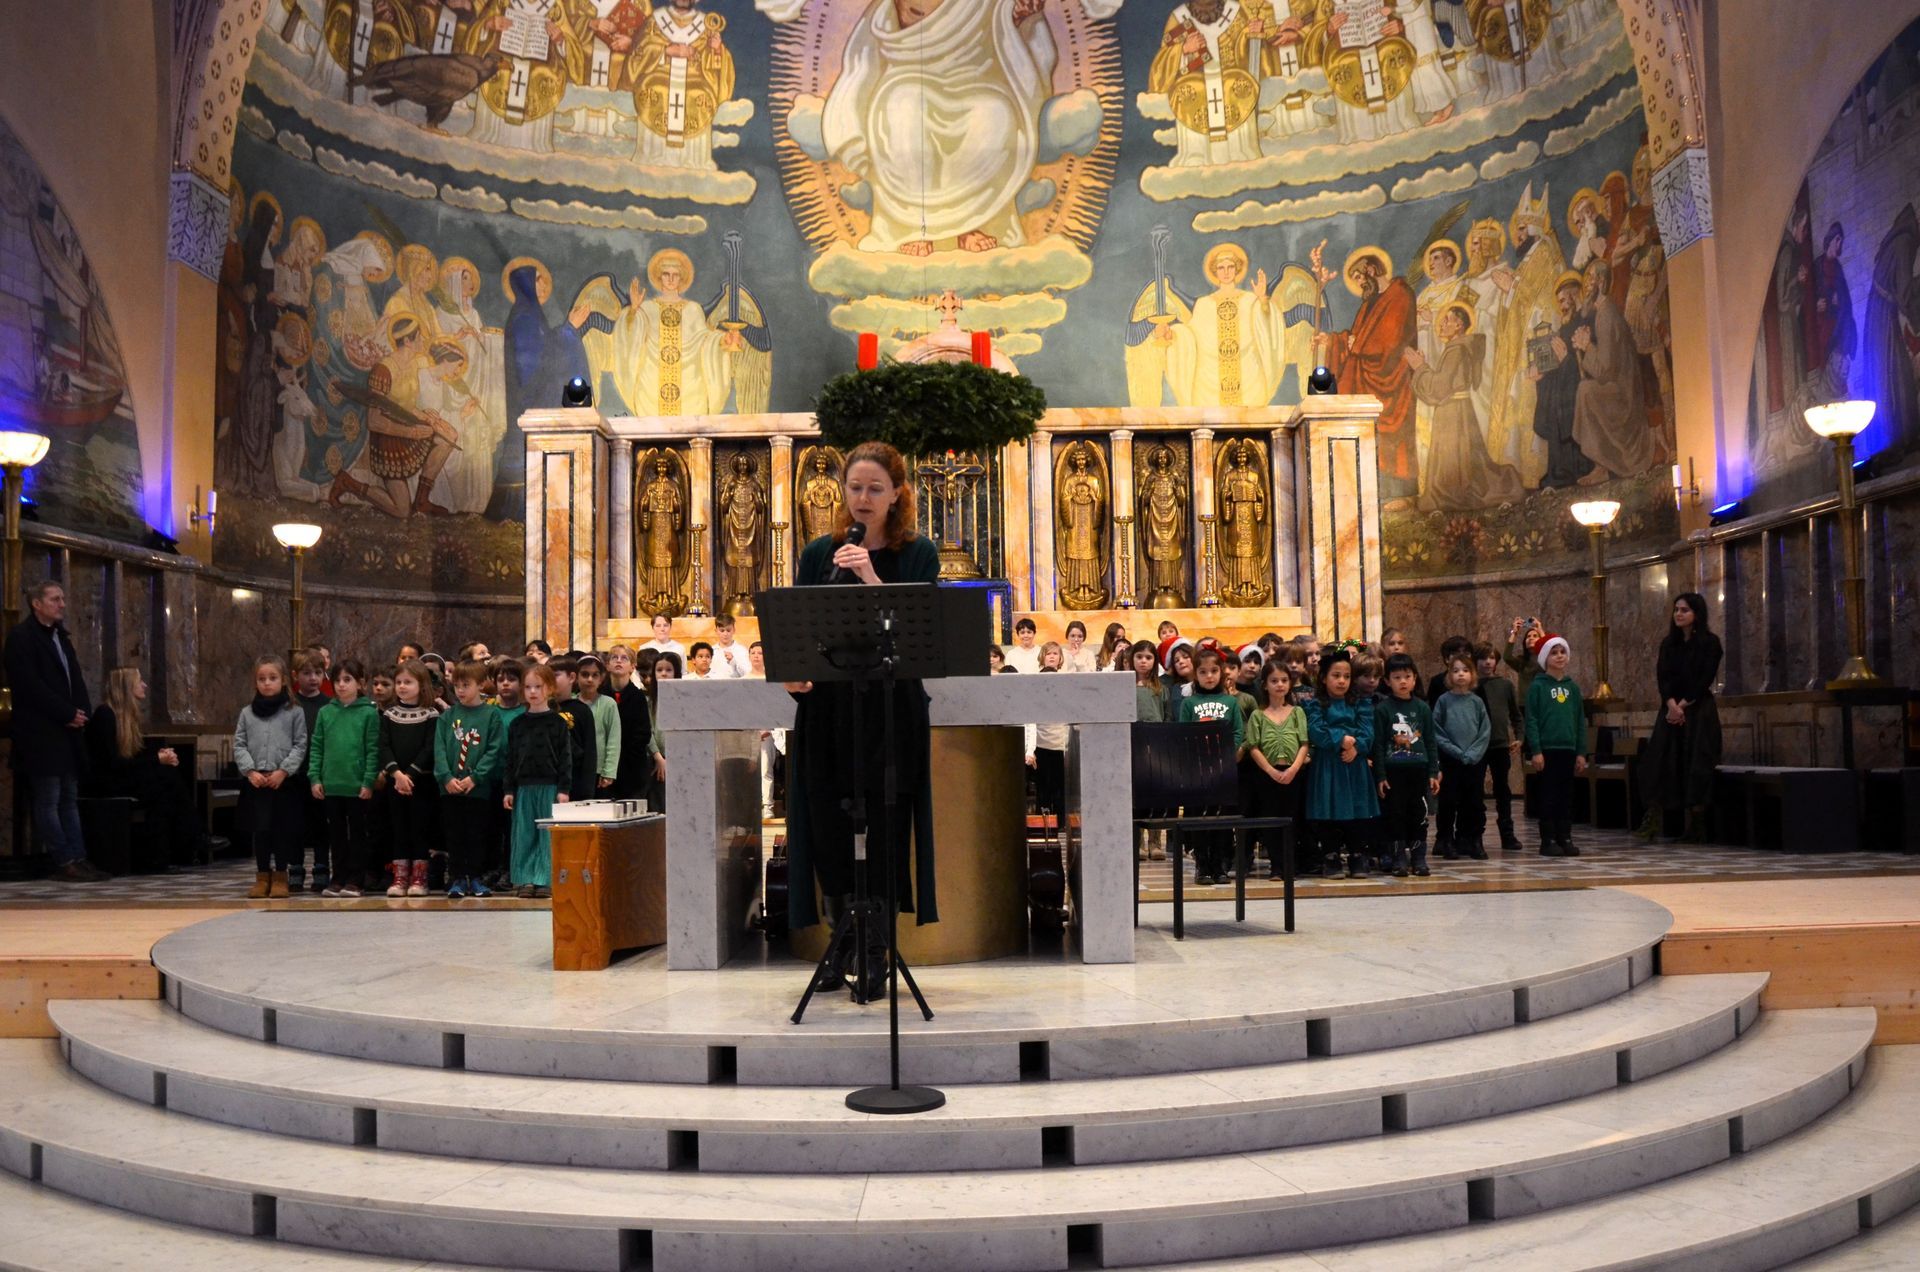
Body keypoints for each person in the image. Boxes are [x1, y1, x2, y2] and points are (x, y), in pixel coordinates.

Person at [785, 440, 941, 1000]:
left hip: (889, 712)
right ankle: (841, 944)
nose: (863, 498)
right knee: (828, 827)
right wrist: (793, 669)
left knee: (884, 827)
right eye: (855, 488)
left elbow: (919, 630)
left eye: (876, 488)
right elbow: (799, 626)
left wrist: (872, 576)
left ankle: (878, 952)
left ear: (898, 493)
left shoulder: (917, 553)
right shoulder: (816, 552)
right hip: (828, 709)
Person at [5, 580, 99, 881]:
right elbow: (30, 687)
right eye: (55, 599)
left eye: (62, 599)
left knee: (69, 797)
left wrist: (82, 713)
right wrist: (66, 712)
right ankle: (63, 859)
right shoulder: (21, 638)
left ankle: (79, 856)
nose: (62, 604)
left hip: (67, 732)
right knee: (48, 798)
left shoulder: (61, 636)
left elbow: (75, 678)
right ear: (37, 603)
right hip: (40, 733)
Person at [85, 667, 196, 872]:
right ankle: (188, 841)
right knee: (164, 783)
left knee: (167, 779)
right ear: (127, 687)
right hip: (106, 783)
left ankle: (181, 844)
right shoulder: (105, 715)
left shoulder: (127, 717)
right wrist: (156, 759)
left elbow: (133, 757)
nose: (144, 685)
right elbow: (112, 764)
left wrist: (160, 756)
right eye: (139, 681)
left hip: (120, 777)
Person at [1636, 593, 1724, 843]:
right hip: (1671, 710)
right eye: (1676, 609)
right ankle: (1652, 820)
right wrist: (1671, 705)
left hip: (1698, 711)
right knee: (1660, 761)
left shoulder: (1710, 643)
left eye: (1684, 610)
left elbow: (1704, 678)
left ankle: (1696, 824)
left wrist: (1683, 705)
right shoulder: (1669, 644)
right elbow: (1663, 677)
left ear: (1697, 613)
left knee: (1695, 762)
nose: (1678, 614)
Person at [235, 655, 308, 899]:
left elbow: (300, 744)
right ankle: (262, 875)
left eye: (273, 678)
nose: (267, 683)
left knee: (281, 830)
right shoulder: (247, 713)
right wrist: (250, 771)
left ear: (283, 681)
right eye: (262, 679)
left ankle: (280, 876)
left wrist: (283, 770)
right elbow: (240, 744)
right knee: (261, 830)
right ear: (255, 682)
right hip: (257, 781)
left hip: (282, 782)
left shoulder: (294, 712)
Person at [308, 658, 380, 898]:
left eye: (347, 680)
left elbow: (372, 749)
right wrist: (315, 778)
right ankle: (337, 877)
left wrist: (368, 780)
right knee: (336, 836)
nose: (341, 685)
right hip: (331, 784)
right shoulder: (326, 712)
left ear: (360, 683)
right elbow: (317, 746)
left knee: (358, 835)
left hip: (357, 785)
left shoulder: (369, 713)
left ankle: (356, 879)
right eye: (337, 680)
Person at [504, 663, 574, 900]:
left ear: (550, 688)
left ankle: (544, 878)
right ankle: (525, 879)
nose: (532, 692)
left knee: (546, 836)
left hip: (550, 787)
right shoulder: (517, 724)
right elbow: (510, 760)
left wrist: (564, 789)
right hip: (524, 787)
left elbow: (566, 759)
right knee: (524, 834)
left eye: (538, 687)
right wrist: (509, 789)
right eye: (528, 687)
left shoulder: (557, 723)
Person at [1305, 650, 1377, 878]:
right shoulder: (1316, 704)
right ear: (1324, 677)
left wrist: (1356, 747)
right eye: (1336, 675)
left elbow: (1367, 731)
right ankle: (1331, 855)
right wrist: (1340, 740)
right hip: (1328, 765)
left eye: (1346, 676)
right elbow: (1316, 730)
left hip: (1354, 765)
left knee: (1357, 811)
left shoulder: (1361, 704)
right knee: (1329, 811)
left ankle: (1357, 855)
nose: (1341, 681)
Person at [1177, 647, 1246, 886]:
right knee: (1198, 818)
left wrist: (1227, 751)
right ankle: (1202, 864)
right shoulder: (1189, 703)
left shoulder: (1230, 702)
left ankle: (1220, 864)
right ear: (1196, 674)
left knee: (1222, 819)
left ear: (1222, 672)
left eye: (1214, 671)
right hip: (1198, 771)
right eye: (1203, 671)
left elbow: (1238, 731)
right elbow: (1183, 733)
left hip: (1223, 769)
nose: (1209, 676)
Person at [437, 660, 506, 900]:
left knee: (477, 833)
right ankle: (457, 878)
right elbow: (440, 750)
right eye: (456, 685)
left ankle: (475, 877)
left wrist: (475, 777)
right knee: (455, 834)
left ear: (480, 685)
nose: (460, 690)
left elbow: (494, 749)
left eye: (466, 685)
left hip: (478, 788)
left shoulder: (491, 715)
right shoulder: (448, 716)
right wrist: (446, 777)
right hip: (450, 788)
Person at [378, 659, 442, 897]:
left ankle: (419, 877)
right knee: (399, 828)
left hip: (421, 782)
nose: (402, 686)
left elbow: (429, 748)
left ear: (421, 684)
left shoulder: (431, 714)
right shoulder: (390, 714)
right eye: (399, 682)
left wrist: (410, 774)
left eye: (408, 682)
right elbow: (384, 745)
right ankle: (400, 876)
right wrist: (396, 774)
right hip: (396, 782)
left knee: (419, 828)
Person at [1242, 660, 1308, 881]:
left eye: (1284, 680)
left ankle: (1291, 864)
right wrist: (1271, 771)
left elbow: (1304, 743)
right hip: (1267, 775)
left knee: (1293, 819)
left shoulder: (1297, 711)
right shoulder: (1258, 715)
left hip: (1294, 773)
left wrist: (1294, 768)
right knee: (1271, 820)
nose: (1279, 685)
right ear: (1265, 685)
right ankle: (1276, 866)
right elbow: (1253, 746)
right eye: (1274, 681)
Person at [1374, 653, 1439, 878]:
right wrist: (1381, 775)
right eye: (1397, 677)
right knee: (1395, 814)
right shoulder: (1383, 709)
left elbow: (1430, 741)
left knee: (1418, 813)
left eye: (1407, 676)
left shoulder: (1422, 708)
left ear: (1414, 679)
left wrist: (1433, 771)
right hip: (1393, 771)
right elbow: (1380, 744)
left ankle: (1419, 856)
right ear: (1387, 681)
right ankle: (1399, 856)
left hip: (1418, 770)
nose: (1403, 681)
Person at [1526, 634, 1589, 857]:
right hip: (1547, 750)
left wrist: (1581, 752)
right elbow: (1532, 719)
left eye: (1562, 652)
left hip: (1568, 749)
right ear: (1545, 657)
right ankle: (1548, 839)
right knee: (1549, 796)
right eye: (1554, 652)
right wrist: (1536, 750)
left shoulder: (1572, 688)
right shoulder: (1538, 687)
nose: (1559, 656)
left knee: (1566, 796)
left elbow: (1579, 720)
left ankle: (1565, 836)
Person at [1433, 657, 1492, 862]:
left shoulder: (1477, 702)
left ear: (1472, 674)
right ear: (1449, 675)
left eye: (1465, 670)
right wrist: (1455, 751)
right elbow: (1437, 731)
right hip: (1451, 760)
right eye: (1455, 670)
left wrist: (1473, 753)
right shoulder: (1444, 701)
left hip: (1473, 761)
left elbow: (1485, 730)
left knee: (1474, 802)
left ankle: (1474, 840)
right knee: (1449, 802)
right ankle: (1447, 841)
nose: (1460, 674)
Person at [1474, 642, 1525, 852]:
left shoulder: (1504, 685)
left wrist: (1520, 737)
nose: (1488, 662)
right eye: (1483, 658)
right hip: (1476, 746)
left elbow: (1516, 715)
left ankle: (1507, 833)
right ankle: (1476, 834)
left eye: (1492, 658)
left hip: (1500, 744)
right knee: (1476, 790)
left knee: (1502, 788)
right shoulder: (1472, 686)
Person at [290, 650, 330, 891]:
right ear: (295, 675)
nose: (313, 678)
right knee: (295, 824)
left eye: (318, 672)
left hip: (322, 774)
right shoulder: (290, 705)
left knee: (320, 825)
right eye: (306, 673)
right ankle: (295, 867)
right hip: (294, 773)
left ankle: (322, 867)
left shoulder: (328, 705)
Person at [605, 645, 655, 801]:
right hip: (605, 766)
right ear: (608, 665)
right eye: (614, 657)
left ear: (633, 667)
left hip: (632, 766)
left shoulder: (638, 697)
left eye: (624, 658)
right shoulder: (601, 695)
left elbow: (643, 733)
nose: (619, 661)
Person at [550, 655, 600, 802]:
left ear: (571, 677)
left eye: (555, 676)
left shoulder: (581, 710)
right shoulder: (542, 709)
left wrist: (587, 792)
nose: (549, 681)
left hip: (575, 782)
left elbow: (590, 752)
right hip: (548, 782)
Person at [575, 653, 622, 793]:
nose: (590, 679)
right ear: (575, 677)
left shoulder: (609, 704)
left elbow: (613, 739)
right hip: (575, 770)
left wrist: (609, 771)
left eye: (595, 675)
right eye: (584, 674)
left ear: (601, 678)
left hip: (599, 771)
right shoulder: (571, 704)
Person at [1130, 639, 1166, 724]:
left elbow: (1168, 717)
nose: (1143, 661)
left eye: (1148, 657)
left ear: (1155, 661)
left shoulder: (1161, 688)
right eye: (1139, 657)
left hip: (1156, 732)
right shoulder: (1126, 688)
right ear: (1132, 659)